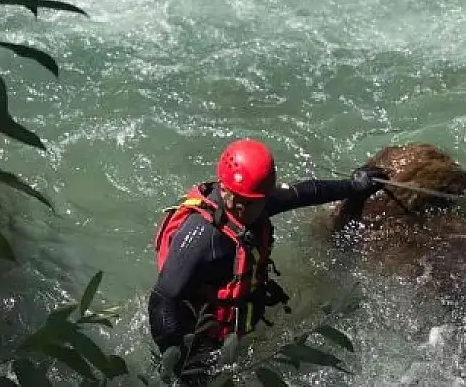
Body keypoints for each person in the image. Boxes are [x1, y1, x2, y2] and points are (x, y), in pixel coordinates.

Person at [148, 138, 389, 381]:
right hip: (200, 335)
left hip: (234, 326)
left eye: (252, 202)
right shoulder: (202, 237)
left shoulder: (256, 201)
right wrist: (186, 367)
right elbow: (162, 301)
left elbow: (303, 193)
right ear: (223, 188)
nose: (243, 209)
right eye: (236, 199)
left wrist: (353, 186)